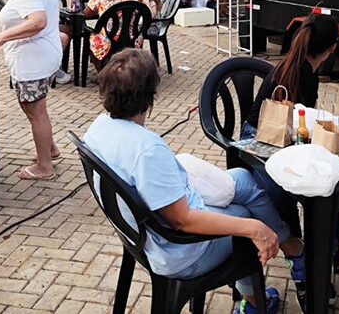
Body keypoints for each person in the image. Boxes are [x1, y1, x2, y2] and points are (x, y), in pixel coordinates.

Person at [84, 49, 307, 314]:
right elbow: (183, 221)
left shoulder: (99, 128)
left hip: (147, 233)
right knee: (247, 219)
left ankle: (292, 248)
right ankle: (258, 300)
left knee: (244, 181)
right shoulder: (146, 150)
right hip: (180, 249)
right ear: (151, 97)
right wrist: (254, 228)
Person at [241, 14, 339, 238]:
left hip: (266, 132)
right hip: (260, 137)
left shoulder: (296, 63)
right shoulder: (304, 72)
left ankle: (314, 245)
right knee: (300, 180)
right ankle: (301, 245)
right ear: (331, 48)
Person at [0, 0, 62, 180]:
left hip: (33, 59)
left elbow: (37, 21)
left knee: (35, 110)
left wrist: (3, 36)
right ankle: (49, 149)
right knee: (36, 107)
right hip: (42, 56)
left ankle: (44, 166)